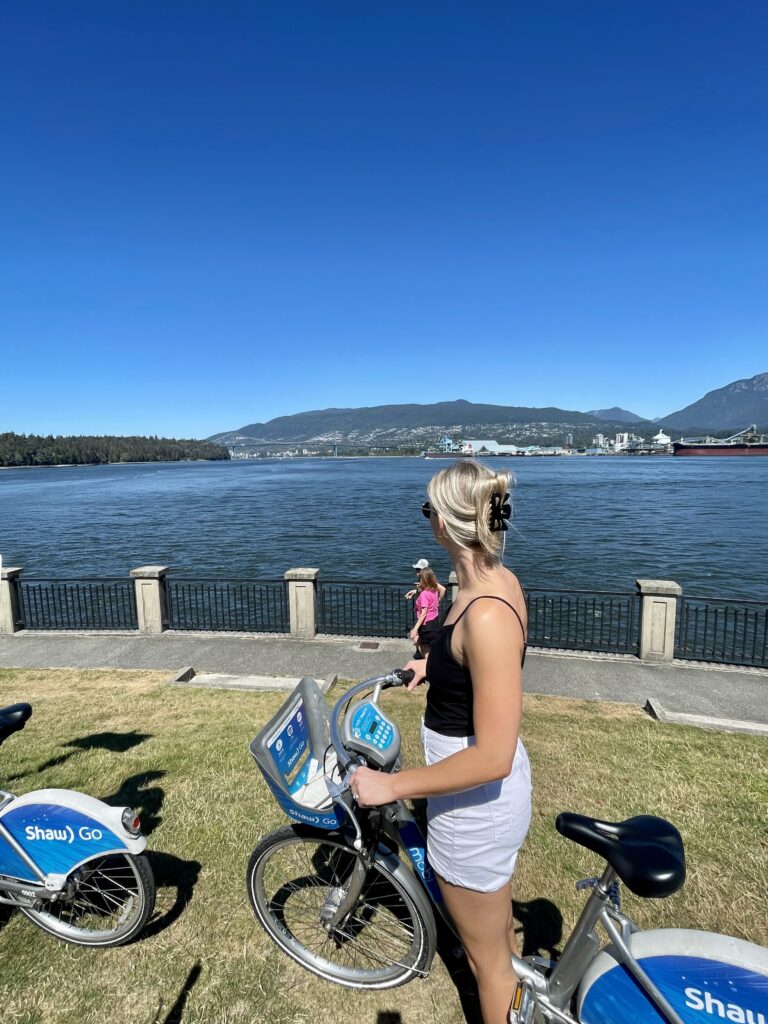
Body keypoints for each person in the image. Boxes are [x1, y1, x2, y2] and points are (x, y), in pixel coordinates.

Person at [350, 460, 531, 1024]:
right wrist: (435, 663)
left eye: (429, 509)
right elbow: (472, 664)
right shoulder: (490, 582)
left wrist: (391, 785)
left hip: (476, 802)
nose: (425, 519)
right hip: (475, 798)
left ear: (447, 525)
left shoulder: (487, 614)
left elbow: (493, 756)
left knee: (489, 967)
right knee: (495, 931)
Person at [409, 565, 441, 657]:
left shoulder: (424, 594)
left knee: (426, 652)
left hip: (426, 625)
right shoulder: (434, 590)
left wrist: (415, 629)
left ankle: (427, 668)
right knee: (430, 648)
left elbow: (423, 614)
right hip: (434, 622)